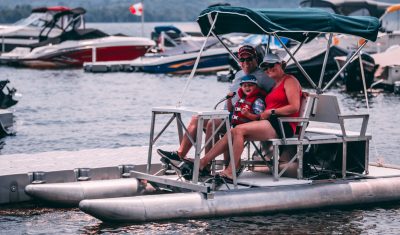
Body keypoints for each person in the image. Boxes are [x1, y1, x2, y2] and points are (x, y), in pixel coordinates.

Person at [157, 45, 274, 167]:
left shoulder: (264, 77)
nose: (246, 63)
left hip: (242, 117)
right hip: (227, 112)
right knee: (196, 118)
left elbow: (274, 93)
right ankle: (179, 155)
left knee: (212, 124)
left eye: (249, 59)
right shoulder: (239, 74)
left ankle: (205, 166)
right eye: (242, 60)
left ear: (256, 59)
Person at [194, 52, 303, 181]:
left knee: (239, 130)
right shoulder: (274, 84)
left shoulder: (290, 80)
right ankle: (203, 162)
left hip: (282, 125)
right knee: (233, 131)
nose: (268, 69)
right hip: (269, 122)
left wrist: (271, 112)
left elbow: (294, 107)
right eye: (265, 67)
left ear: (281, 64)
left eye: (272, 65)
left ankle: (230, 170)